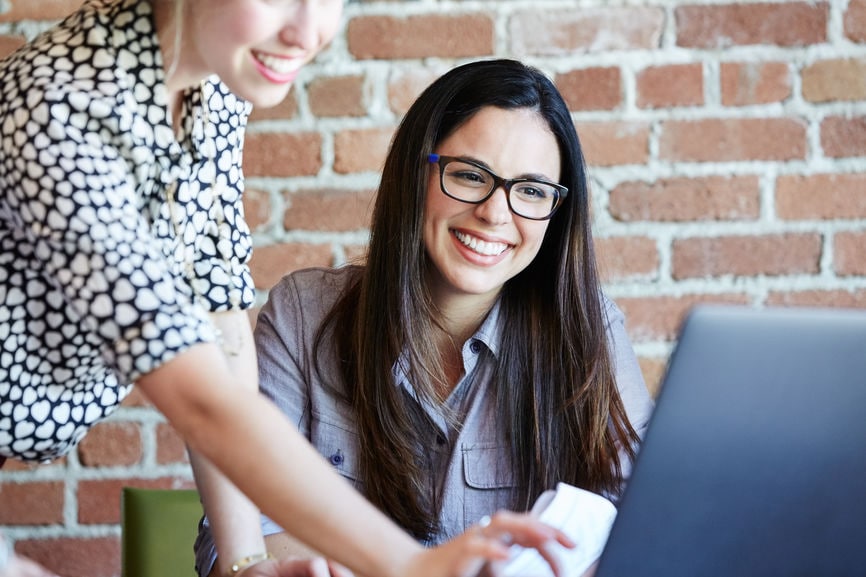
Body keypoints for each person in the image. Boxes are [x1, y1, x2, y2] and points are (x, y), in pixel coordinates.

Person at [0, 1, 573, 576]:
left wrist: (246, 561)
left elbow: (218, 318)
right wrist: (408, 565)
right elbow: (200, 399)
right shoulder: (62, 108)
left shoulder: (210, 90)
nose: (307, 31)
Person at [195, 59, 655, 576]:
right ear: (416, 174)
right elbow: (240, 537)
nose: (496, 213)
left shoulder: (588, 333)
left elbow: (649, 529)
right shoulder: (304, 316)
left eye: (530, 191)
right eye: (469, 175)